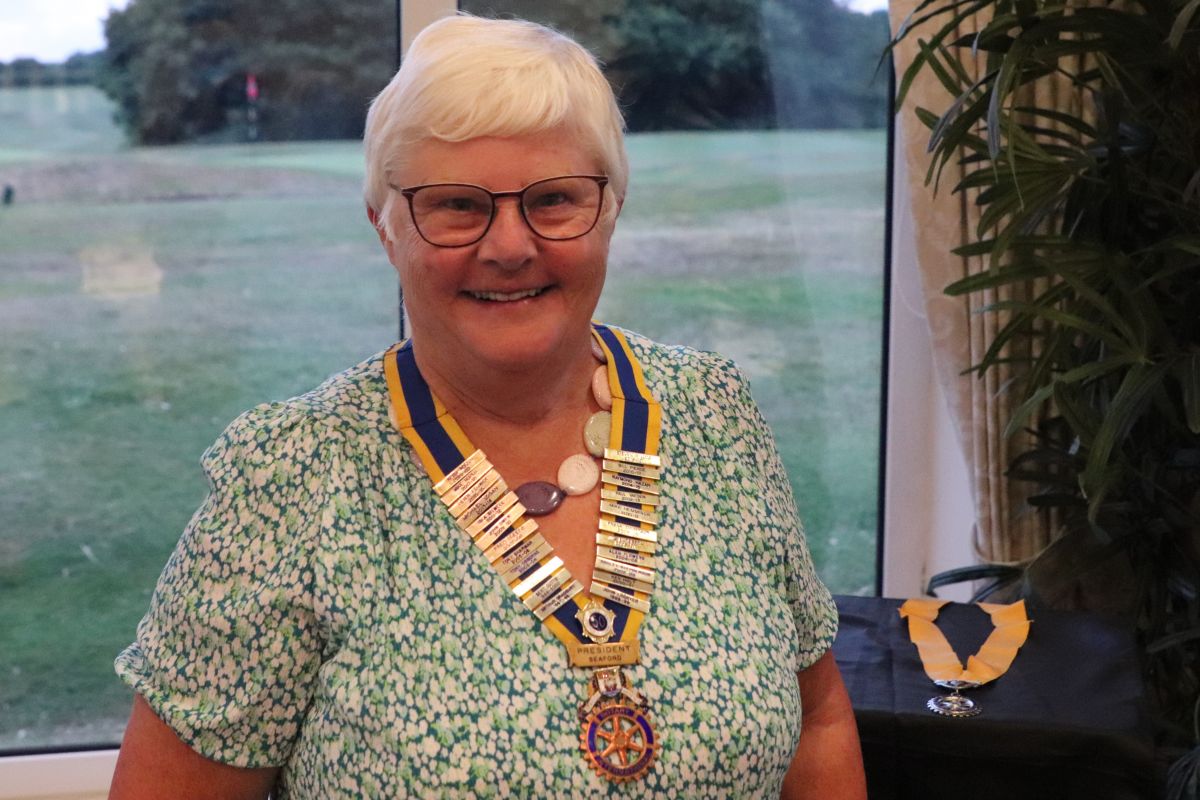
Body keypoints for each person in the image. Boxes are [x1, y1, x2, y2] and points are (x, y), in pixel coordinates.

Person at [108, 14, 866, 799]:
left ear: (611, 209)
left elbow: (818, 721)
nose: (509, 246)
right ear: (385, 227)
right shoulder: (292, 484)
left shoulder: (712, 416)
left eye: (555, 199)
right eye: (457, 206)